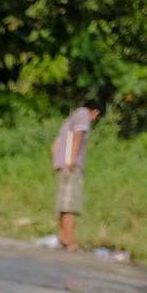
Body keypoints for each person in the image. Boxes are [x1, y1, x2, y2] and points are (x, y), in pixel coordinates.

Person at [52, 102, 100, 251]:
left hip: (62, 165)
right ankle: (69, 240)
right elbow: (79, 135)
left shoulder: (70, 118)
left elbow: (55, 143)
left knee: (63, 204)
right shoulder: (83, 114)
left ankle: (62, 237)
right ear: (96, 112)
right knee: (70, 205)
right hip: (71, 167)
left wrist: (57, 161)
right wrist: (71, 160)